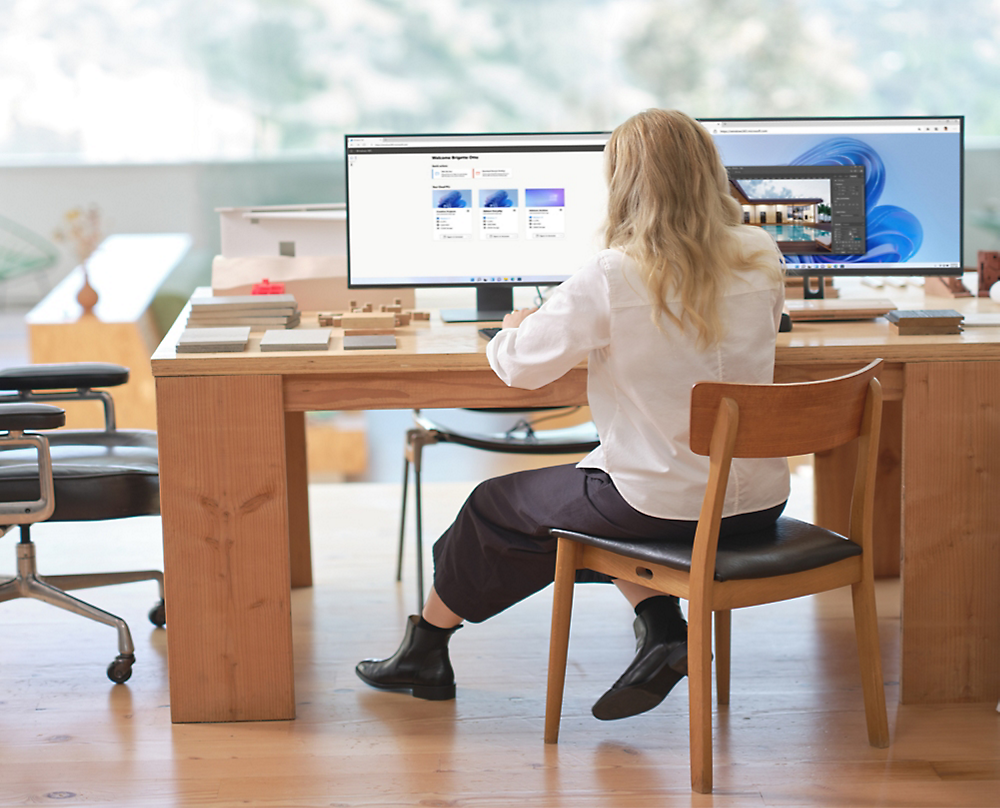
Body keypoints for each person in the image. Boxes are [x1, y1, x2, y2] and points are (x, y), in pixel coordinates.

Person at [356, 108, 790, 721]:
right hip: (758, 502)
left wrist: (512, 328)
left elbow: (520, 368)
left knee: (494, 509)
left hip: (660, 506)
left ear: (624, 183)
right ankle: (662, 627)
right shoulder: (759, 251)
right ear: (707, 173)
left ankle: (425, 650)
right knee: (590, 486)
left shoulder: (615, 272)